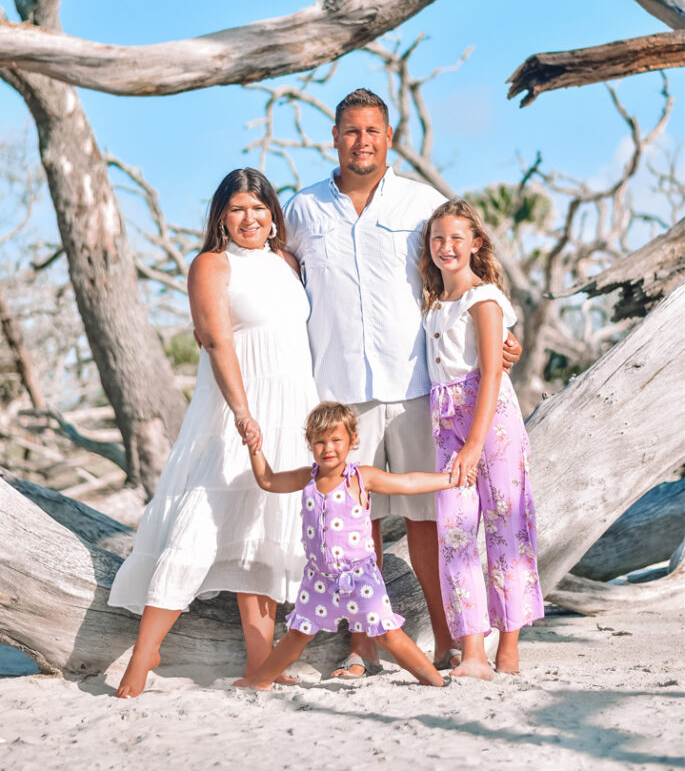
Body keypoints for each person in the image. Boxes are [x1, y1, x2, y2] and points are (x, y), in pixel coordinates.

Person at [283, 89, 522, 677]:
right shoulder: (302, 209)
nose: (361, 141)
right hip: (339, 392)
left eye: (372, 130)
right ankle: (361, 647)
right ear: (334, 137)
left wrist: (498, 336)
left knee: (428, 522)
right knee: (356, 524)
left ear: (389, 136)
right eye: (350, 131)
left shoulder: (422, 202)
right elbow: (283, 284)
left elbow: (462, 269)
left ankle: (446, 638)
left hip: (419, 386)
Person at [108, 168, 318, 697]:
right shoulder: (211, 265)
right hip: (234, 410)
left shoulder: (288, 264)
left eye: (260, 207)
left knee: (265, 532)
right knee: (199, 525)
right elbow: (217, 342)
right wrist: (244, 413)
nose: (251, 218)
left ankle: (260, 665)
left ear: (274, 215)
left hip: (293, 407)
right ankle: (143, 656)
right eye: (238, 209)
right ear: (222, 217)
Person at [235, 401, 474, 691]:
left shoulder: (361, 477)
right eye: (320, 441)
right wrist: (254, 448)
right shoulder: (307, 477)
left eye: (336, 440)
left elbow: (408, 482)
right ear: (310, 443)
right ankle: (259, 681)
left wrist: (451, 479)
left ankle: (435, 681)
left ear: (352, 440)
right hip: (318, 581)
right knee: (297, 635)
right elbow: (268, 481)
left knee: (388, 635)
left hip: (360, 579)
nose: (328, 448)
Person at [420, 198, 544, 679]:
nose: (446, 247)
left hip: (490, 423)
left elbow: (493, 371)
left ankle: (508, 647)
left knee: (506, 528)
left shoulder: (484, 298)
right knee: (454, 532)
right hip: (445, 422)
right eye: (438, 238)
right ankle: (472, 652)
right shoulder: (433, 304)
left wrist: (473, 445)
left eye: (457, 238)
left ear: (476, 244)